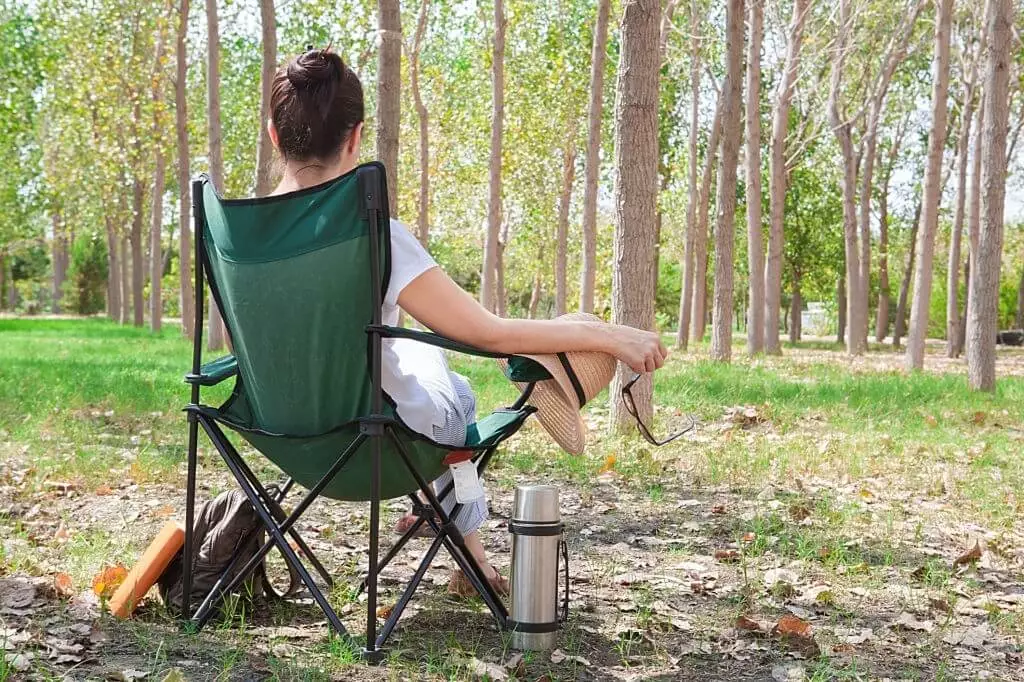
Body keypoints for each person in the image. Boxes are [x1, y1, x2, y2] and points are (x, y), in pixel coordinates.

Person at [266, 47, 668, 597]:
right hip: (374, 445)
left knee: (422, 354)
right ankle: (471, 553)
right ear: (357, 138)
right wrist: (609, 335)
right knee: (451, 386)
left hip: (277, 435)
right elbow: (489, 332)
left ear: (273, 134)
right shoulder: (374, 236)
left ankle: (465, 550)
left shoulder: (242, 237)